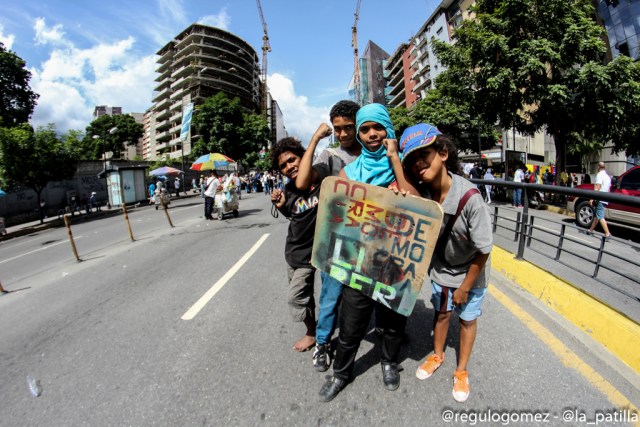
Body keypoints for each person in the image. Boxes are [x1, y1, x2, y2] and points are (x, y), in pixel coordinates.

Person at [319, 103, 415, 402]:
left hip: (396, 260)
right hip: (358, 260)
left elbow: (416, 203)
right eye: (365, 129)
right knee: (351, 323)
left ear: (388, 129)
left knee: (392, 320)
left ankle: (388, 361)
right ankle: (342, 372)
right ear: (359, 135)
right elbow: (337, 212)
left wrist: (395, 162)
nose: (372, 134)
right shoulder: (350, 171)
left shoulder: (405, 166)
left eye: (377, 127)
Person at [392, 122, 493, 403]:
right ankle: (437, 355)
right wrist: (393, 161)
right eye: (411, 160)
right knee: (441, 313)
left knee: (467, 320)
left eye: (424, 153)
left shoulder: (471, 198)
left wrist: (465, 288)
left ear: (443, 153)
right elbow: (408, 200)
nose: (418, 163)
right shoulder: (424, 194)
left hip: (471, 272)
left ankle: (461, 370)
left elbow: (484, 250)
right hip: (441, 270)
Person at [295, 99, 361, 372]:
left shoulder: (375, 152)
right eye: (337, 128)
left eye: (348, 127)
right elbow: (302, 182)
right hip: (334, 240)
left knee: (369, 295)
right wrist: (314, 141)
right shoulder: (330, 156)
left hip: (368, 240)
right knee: (330, 297)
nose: (343, 133)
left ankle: (386, 335)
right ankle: (323, 343)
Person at [270, 137, 329, 354]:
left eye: (292, 160)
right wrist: (281, 204)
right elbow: (294, 216)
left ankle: (315, 333)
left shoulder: (321, 174)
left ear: (303, 156)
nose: (288, 167)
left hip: (312, 254)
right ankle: (311, 331)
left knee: (295, 296)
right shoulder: (289, 190)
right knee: (306, 299)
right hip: (293, 252)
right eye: (283, 166)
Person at [587, 161, 612, 241]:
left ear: (598, 167)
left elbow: (597, 187)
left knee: (600, 216)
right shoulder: (608, 177)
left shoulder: (599, 175)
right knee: (596, 215)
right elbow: (608, 188)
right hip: (605, 198)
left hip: (600, 198)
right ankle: (590, 230)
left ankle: (607, 233)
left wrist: (591, 198)